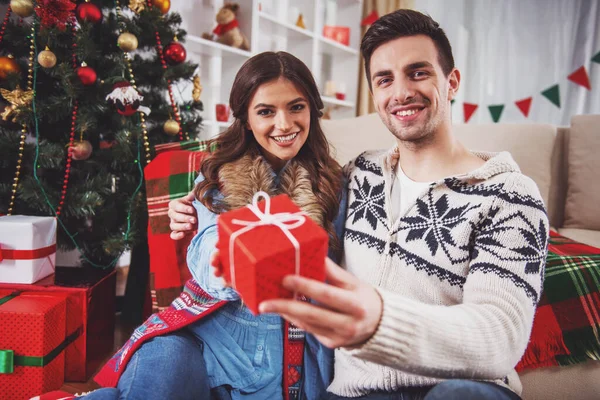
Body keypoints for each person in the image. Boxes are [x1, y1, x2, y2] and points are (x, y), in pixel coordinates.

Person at [171, 9, 549, 400]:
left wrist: (380, 324)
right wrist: (194, 202)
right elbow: (282, 197)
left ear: (451, 82)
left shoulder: (510, 196)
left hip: (457, 388)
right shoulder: (356, 175)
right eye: (385, 79)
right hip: (356, 392)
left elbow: (499, 339)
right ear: (374, 94)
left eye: (418, 72)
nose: (401, 92)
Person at [37, 52, 346, 400]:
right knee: (158, 371)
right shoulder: (218, 175)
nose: (285, 124)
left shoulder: (334, 186)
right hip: (199, 336)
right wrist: (247, 249)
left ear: (312, 109)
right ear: (245, 117)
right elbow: (209, 269)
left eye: (296, 107)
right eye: (265, 111)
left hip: (279, 367)